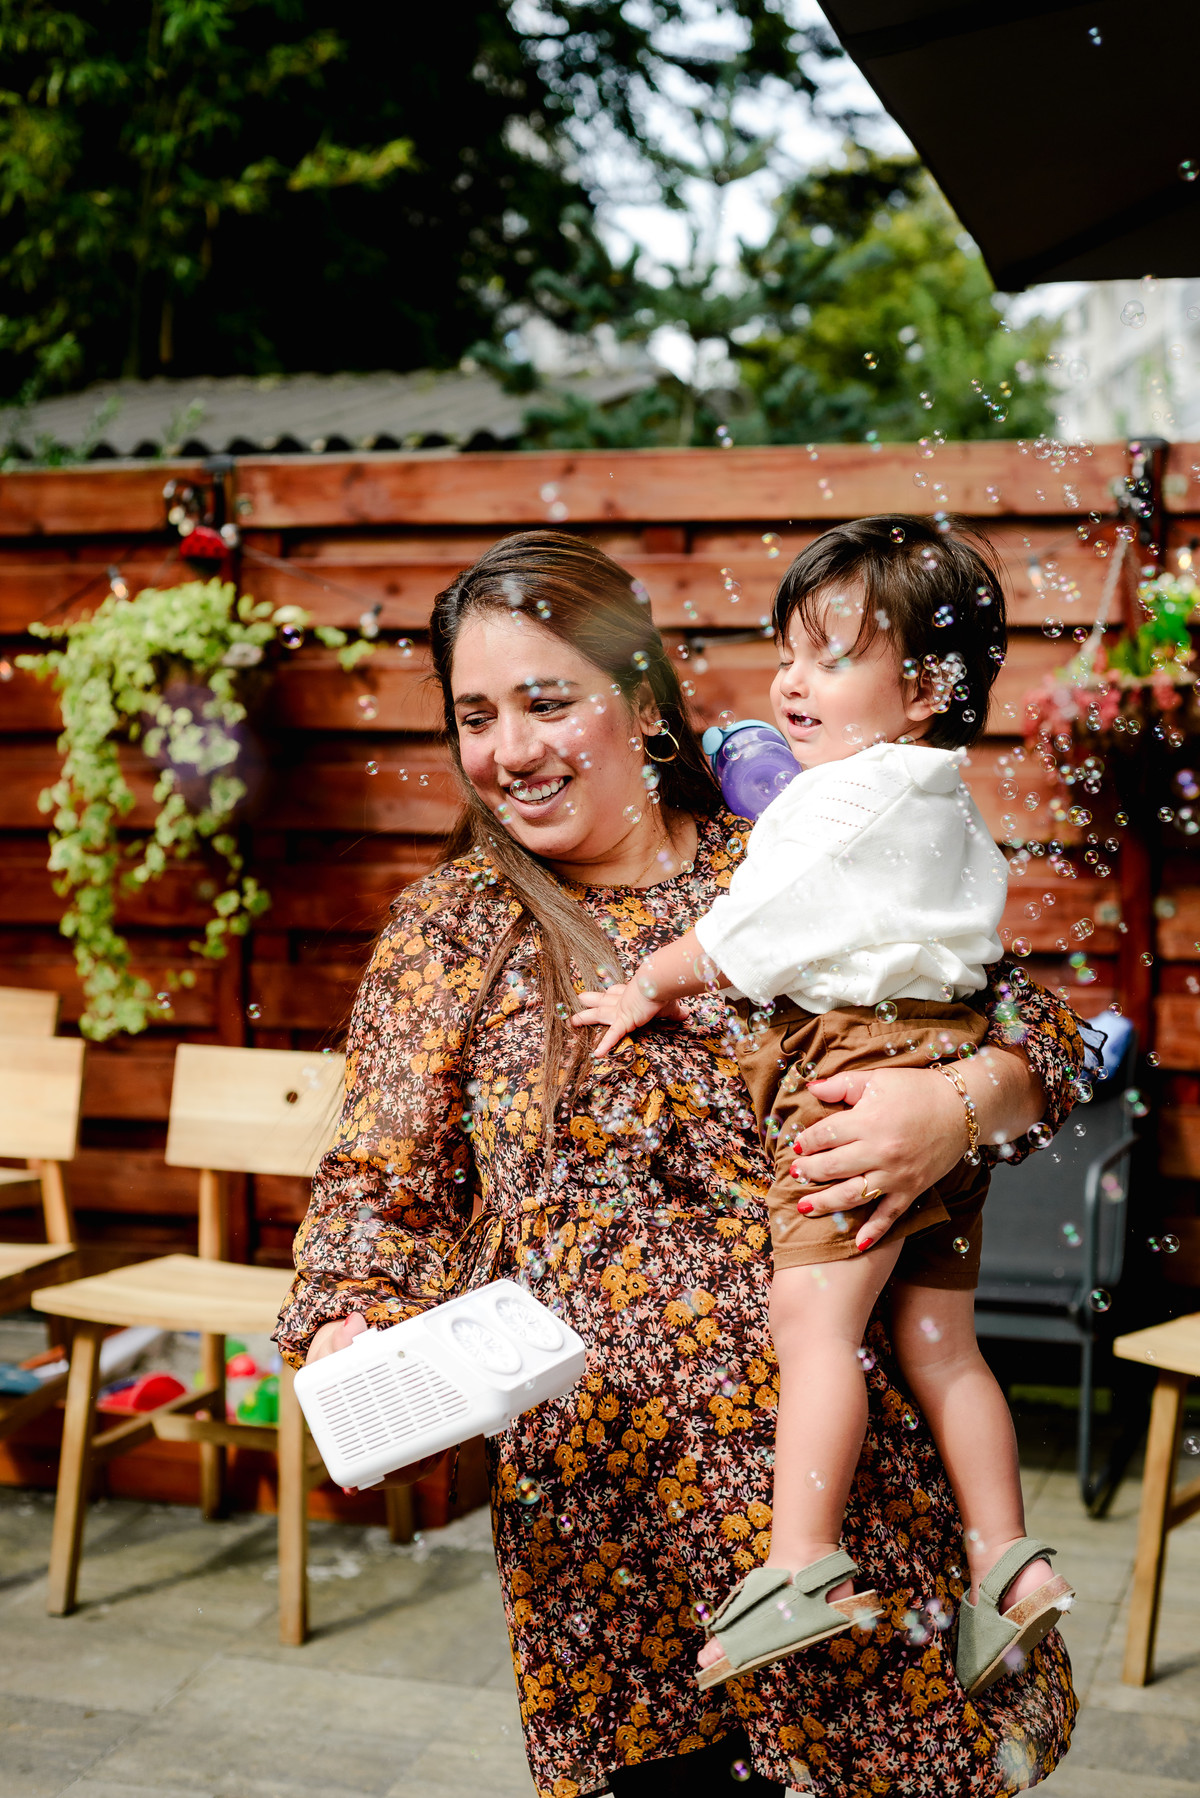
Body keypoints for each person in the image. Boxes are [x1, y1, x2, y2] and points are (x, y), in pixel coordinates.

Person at [274, 530, 1087, 1797]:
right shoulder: (458, 929)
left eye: (549, 699)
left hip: (840, 1510)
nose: (513, 748)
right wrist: (350, 1330)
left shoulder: (779, 857)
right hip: (609, 1542)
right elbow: (379, 1187)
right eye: (476, 714)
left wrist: (962, 1104)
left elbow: (1040, 1029)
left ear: (643, 700)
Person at [572, 516, 1074, 1702]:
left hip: (852, 1065)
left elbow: (753, 926)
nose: (792, 680)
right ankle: (1007, 1561)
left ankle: (802, 1564)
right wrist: (965, 1089)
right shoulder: (939, 794)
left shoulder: (831, 805)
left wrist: (648, 980)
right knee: (942, 1337)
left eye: (831, 656)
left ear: (926, 689)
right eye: (786, 649)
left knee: (813, 1316)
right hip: (941, 1046)